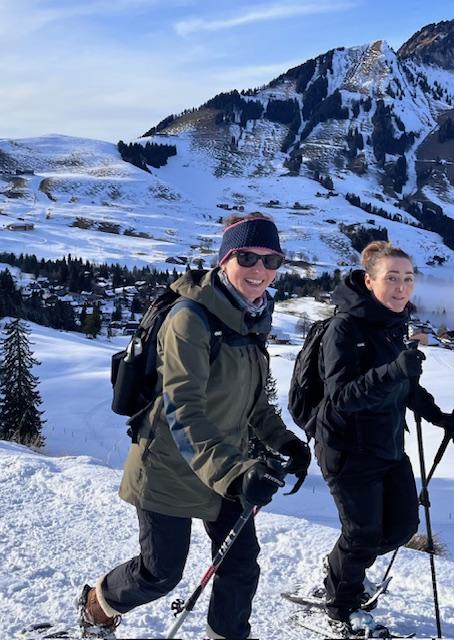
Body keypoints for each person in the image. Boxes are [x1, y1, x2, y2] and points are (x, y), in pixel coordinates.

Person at [78, 213, 311, 640]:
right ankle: (97, 606)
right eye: (247, 257)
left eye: (271, 260)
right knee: (159, 573)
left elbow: (254, 403)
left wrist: (286, 442)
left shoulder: (251, 317)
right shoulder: (190, 318)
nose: (260, 269)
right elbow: (182, 410)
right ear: (225, 259)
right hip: (169, 466)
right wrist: (236, 472)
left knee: (241, 565)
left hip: (227, 464)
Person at [314, 241, 454, 635]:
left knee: (401, 527)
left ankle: (343, 568)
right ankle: (341, 606)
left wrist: (439, 417)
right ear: (370, 281)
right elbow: (341, 397)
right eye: (392, 278)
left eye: (408, 279)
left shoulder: (393, 324)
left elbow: (405, 386)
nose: (401, 288)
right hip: (347, 448)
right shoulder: (344, 328)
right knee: (362, 533)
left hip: (387, 446)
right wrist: (394, 371)